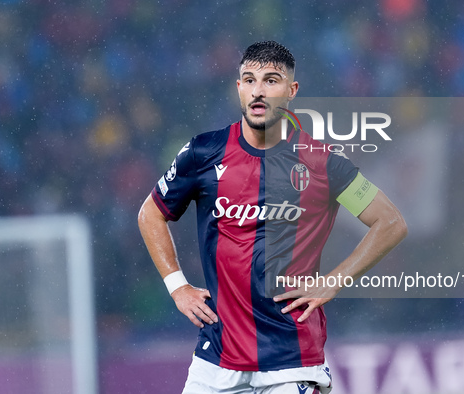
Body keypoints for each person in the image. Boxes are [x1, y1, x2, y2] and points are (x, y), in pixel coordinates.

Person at [138, 40, 407, 394]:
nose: (258, 91)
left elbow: (390, 223)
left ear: (291, 90)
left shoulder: (322, 162)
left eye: (271, 80)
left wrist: (334, 280)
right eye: (249, 80)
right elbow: (151, 213)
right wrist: (177, 286)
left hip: (291, 360)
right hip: (215, 360)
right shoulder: (202, 152)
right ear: (238, 89)